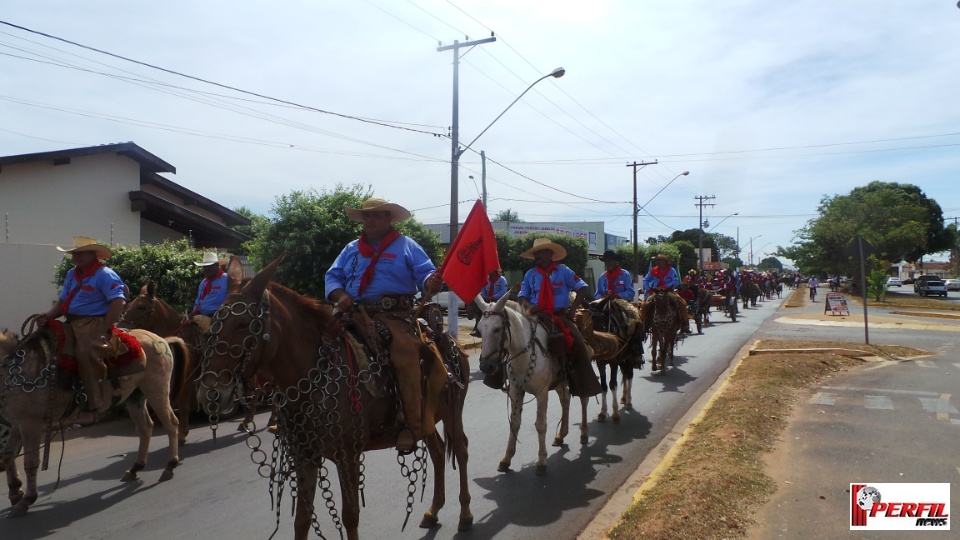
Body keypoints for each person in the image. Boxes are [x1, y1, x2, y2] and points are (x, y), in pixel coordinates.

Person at [325, 197, 446, 454]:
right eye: (366, 216)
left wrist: (430, 282)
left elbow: (425, 273)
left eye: (376, 216)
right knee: (313, 343)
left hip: (395, 315)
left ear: (388, 218)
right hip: (353, 312)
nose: (369, 221)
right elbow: (332, 276)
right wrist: (339, 295)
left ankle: (408, 425)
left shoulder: (406, 246)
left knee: (404, 355)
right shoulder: (350, 249)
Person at [37, 236, 129, 414]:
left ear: (92, 254)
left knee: (83, 353)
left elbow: (118, 302)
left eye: (80, 254)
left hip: (93, 322)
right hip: (71, 321)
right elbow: (62, 301)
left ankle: (94, 402)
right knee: (44, 342)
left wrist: (104, 328)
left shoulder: (105, 274)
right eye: (73, 254)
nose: (75, 257)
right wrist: (46, 316)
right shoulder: (72, 273)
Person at [517, 238, 601, 398]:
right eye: (535, 253)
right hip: (536, 315)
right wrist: (529, 306)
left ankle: (584, 382)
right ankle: (508, 378)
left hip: (560, 315)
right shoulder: (530, 274)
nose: (536, 256)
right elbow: (522, 297)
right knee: (510, 337)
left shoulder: (564, 271)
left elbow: (583, 288)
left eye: (540, 253)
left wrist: (573, 310)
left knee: (578, 344)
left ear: (549, 254)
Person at [641, 253, 692, 334]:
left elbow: (675, 281)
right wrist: (648, 289)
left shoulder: (672, 271)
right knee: (645, 305)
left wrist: (665, 286)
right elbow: (645, 280)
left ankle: (685, 323)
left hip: (669, 291)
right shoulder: (653, 271)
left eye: (661, 260)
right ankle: (644, 324)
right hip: (656, 292)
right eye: (658, 261)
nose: (659, 262)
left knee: (682, 303)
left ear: (666, 262)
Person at [469, 269, 508, 337]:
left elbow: (503, 292)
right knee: (479, 310)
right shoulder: (487, 280)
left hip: (498, 301)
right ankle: (478, 330)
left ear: (495, 271)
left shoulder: (502, 280)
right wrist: (485, 297)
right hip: (488, 300)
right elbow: (483, 290)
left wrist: (493, 297)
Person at [191, 252, 228, 319]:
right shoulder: (204, 282)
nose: (207, 269)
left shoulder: (226, 279)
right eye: (205, 266)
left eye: (210, 266)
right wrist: (194, 313)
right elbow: (198, 301)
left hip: (220, 318)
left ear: (217, 266)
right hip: (202, 316)